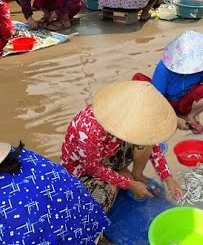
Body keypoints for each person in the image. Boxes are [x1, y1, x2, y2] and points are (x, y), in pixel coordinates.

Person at [61, 80, 184, 212]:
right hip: (85, 170)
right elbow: (92, 167)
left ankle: (133, 175)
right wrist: (130, 184)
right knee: (100, 201)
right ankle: (123, 176)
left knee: (145, 141)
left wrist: (168, 178)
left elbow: (152, 143)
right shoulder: (90, 128)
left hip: (110, 153)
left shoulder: (128, 119)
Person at [147, 30, 203, 133]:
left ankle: (190, 116)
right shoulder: (163, 69)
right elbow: (157, 100)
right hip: (168, 102)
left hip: (185, 102)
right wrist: (176, 120)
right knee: (142, 86)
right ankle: (171, 118)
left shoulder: (202, 67)